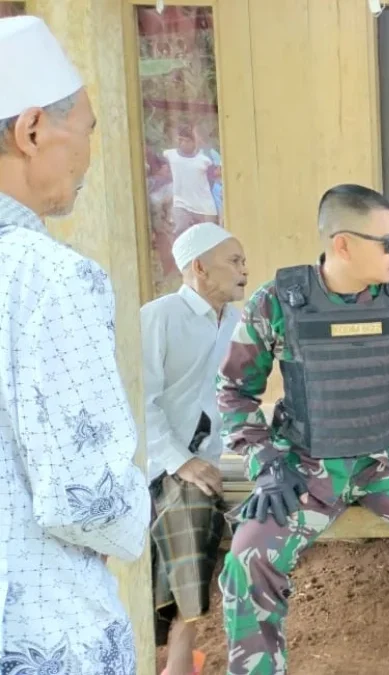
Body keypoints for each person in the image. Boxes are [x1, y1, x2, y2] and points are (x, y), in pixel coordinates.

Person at [216, 184, 389, 674]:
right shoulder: (277, 302)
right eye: (388, 242)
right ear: (343, 244)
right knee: (248, 554)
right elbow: (234, 392)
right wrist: (267, 464)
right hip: (305, 468)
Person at [0, 15, 150, 673]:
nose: (89, 153)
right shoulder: (48, 278)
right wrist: (134, 515)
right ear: (32, 130)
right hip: (44, 633)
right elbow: (87, 494)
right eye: (87, 130)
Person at [141, 223, 247, 675]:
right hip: (158, 459)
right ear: (199, 268)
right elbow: (137, 401)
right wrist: (179, 461)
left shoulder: (239, 323)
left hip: (214, 458)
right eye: (234, 261)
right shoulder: (159, 317)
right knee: (192, 504)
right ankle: (180, 656)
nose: (245, 270)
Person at [163, 125, 219, 240]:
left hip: (204, 206)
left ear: (194, 142)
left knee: (210, 238)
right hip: (181, 204)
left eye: (187, 140)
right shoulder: (169, 155)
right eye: (180, 140)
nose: (183, 143)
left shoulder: (205, 159)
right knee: (181, 235)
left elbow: (215, 175)